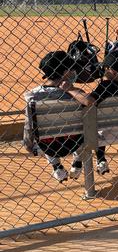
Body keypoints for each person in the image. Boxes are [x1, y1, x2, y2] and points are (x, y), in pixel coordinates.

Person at [23, 51, 89, 183]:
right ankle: (77, 161)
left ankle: (56, 166)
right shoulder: (77, 94)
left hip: (48, 145)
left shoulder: (33, 96)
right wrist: (71, 89)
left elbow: (29, 126)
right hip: (74, 142)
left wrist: (28, 145)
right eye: (71, 69)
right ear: (65, 72)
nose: (74, 72)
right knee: (80, 129)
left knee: (44, 134)